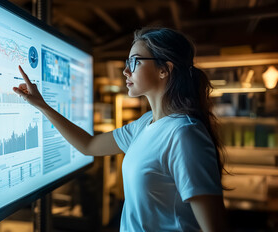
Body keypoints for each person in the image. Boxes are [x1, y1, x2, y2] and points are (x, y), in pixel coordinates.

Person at [13, 27, 228, 231]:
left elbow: (215, 228)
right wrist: (41, 105)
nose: (125, 71)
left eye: (135, 62)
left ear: (164, 69)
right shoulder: (145, 124)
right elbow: (88, 145)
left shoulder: (185, 134)